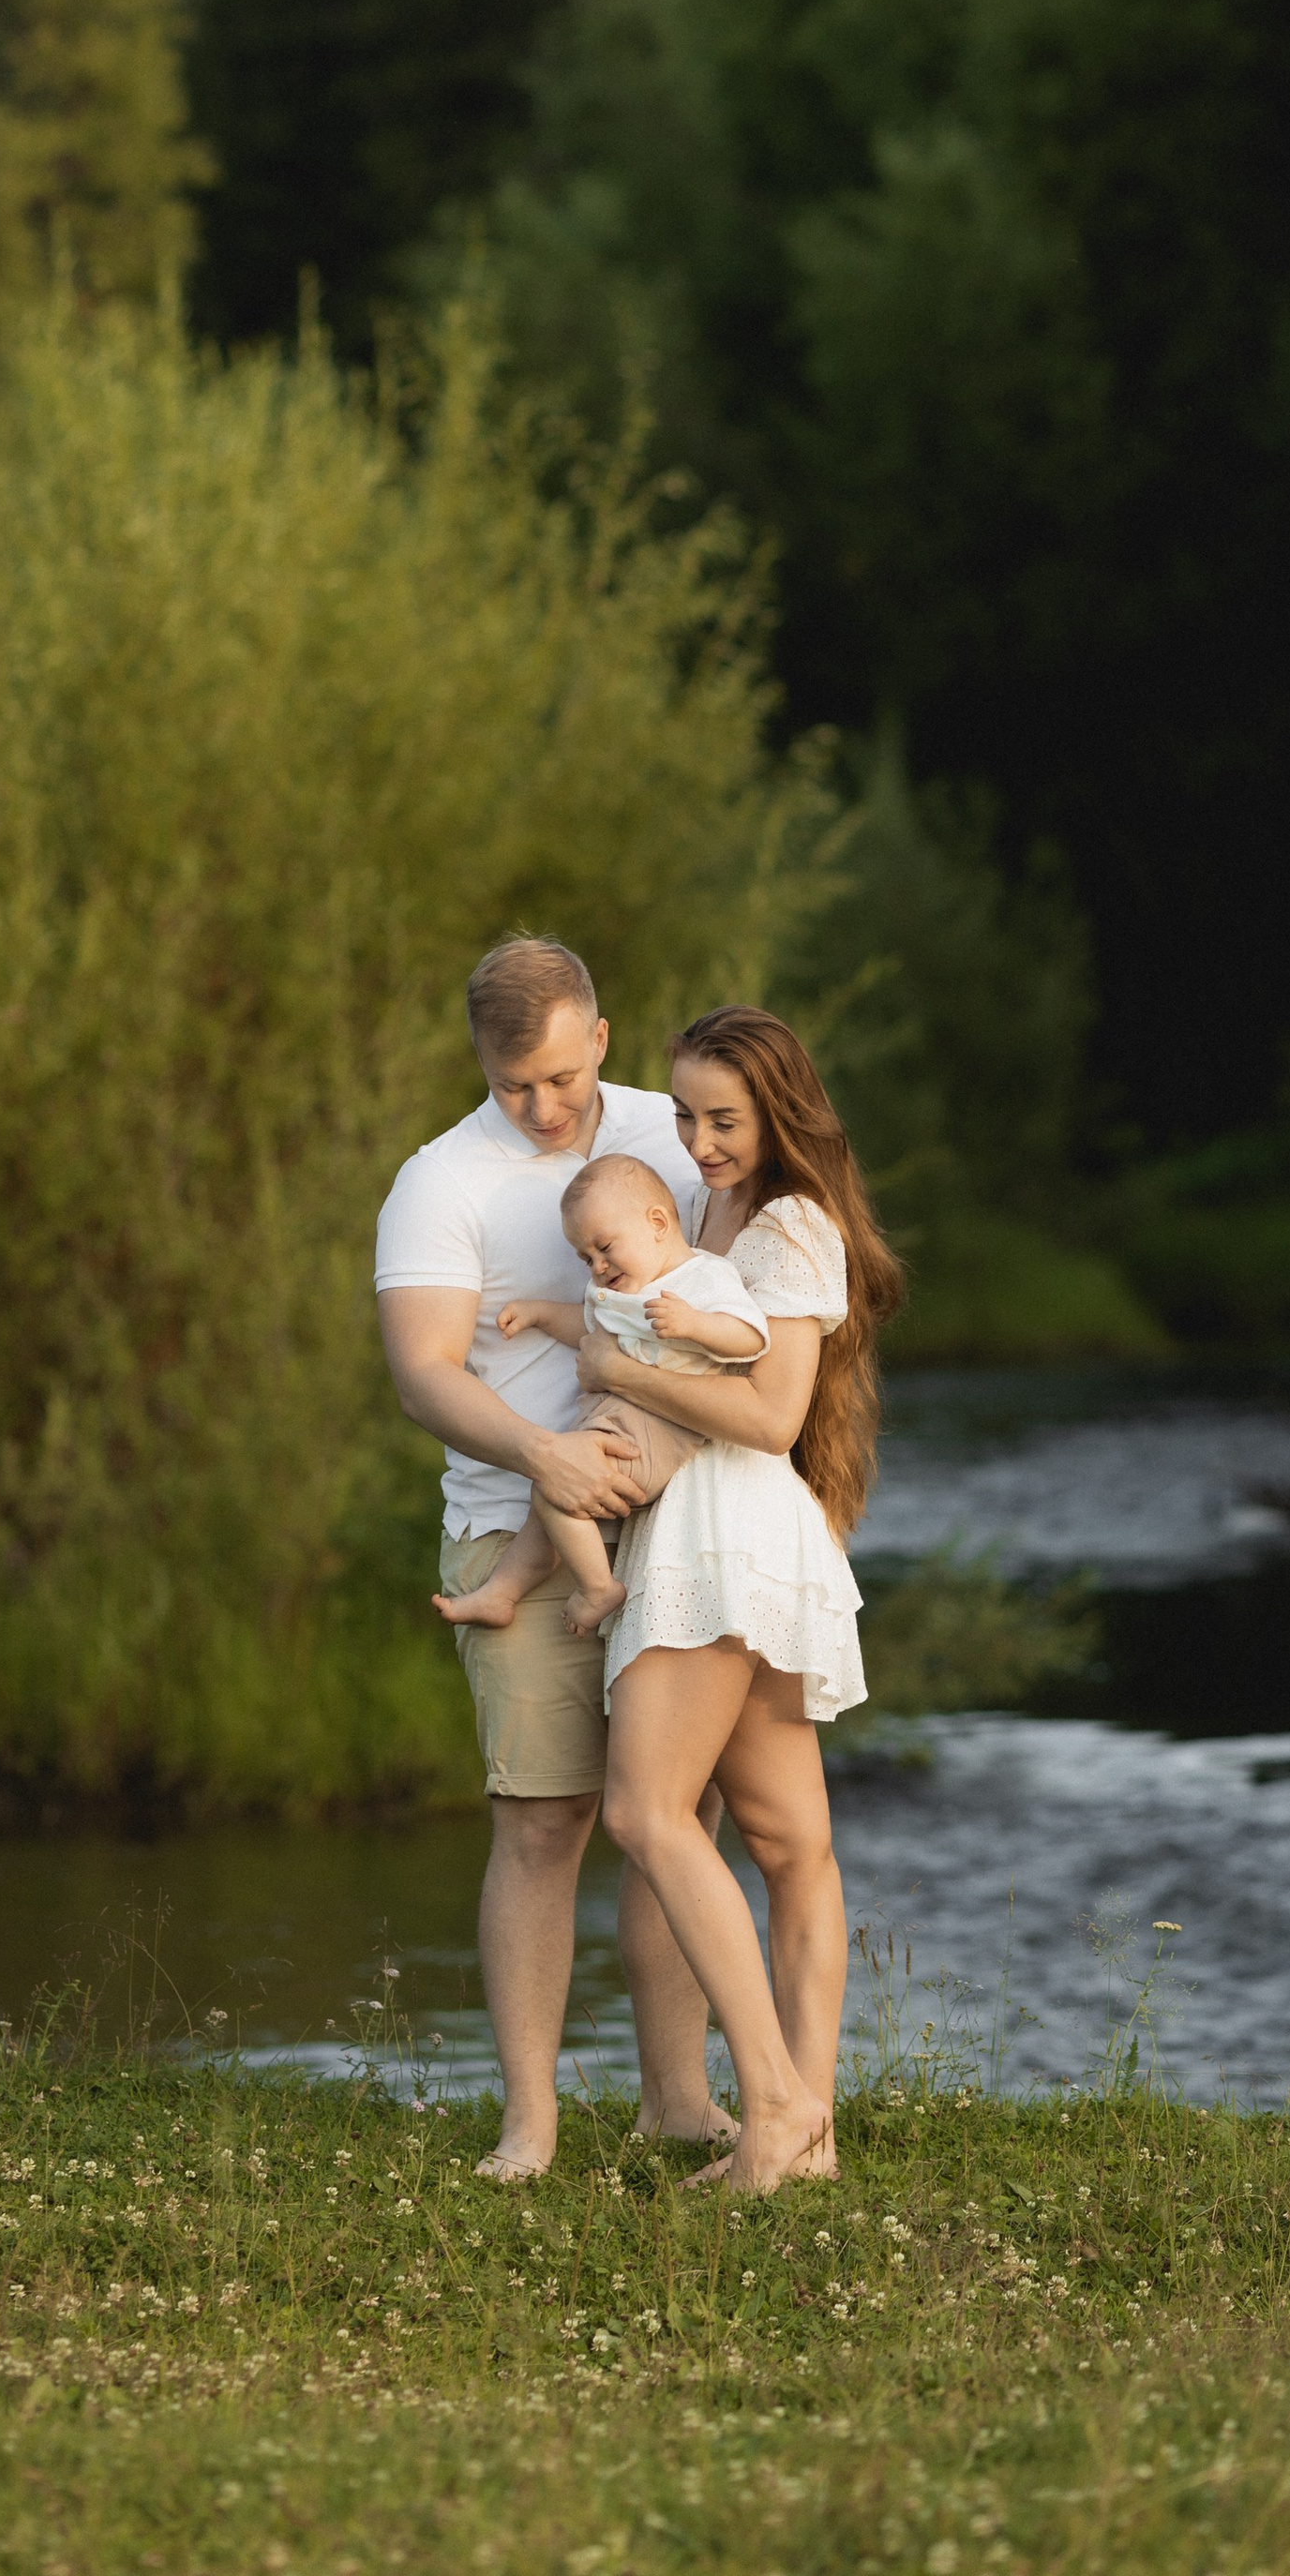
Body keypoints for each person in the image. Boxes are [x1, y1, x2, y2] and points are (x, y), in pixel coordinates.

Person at [375, 937, 734, 2179]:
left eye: (564, 1080)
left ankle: (679, 2101)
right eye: (515, 1082)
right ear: (480, 1058)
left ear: (603, 1038)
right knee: (543, 1820)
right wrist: (547, 1457)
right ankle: (529, 2122)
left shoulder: (670, 1133)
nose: (544, 1108)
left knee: (678, 1812)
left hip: (688, 1518)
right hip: (517, 1516)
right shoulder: (439, 1182)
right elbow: (424, 1371)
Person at [582, 1005, 906, 2193]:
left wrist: (611, 1367)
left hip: (727, 1526)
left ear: (782, 1109)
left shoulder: (791, 1227)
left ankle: (772, 2106)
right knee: (785, 1842)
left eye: (724, 1117)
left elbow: (772, 1417)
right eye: (683, 1114)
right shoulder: (699, 1209)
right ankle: (805, 2140)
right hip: (734, 1529)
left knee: (647, 1814)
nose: (701, 1139)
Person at [431, 1148, 770, 1639]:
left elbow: (751, 1336)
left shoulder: (702, 1278)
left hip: (654, 1435)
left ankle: (597, 1588)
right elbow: (588, 1324)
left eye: (605, 1246)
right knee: (548, 1500)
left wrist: (697, 1325)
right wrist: (540, 1314)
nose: (598, 1265)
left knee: (552, 1492)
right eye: (585, 1257)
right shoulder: (620, 1292)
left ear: (657, 1222)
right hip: (611, 1426)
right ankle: (502, 1593)